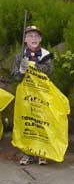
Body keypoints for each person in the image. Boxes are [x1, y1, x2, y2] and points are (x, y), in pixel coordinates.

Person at [12, 25, 54, 165]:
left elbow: (49, 72)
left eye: (36, 36)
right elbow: (15, 76)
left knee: (42, 123)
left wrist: (33, 65)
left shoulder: (46, 55)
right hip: (26, 97)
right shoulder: (19, 56)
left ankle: (42, 152)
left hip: (42, 96)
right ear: (25, 39)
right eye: (30, 36)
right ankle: (28, 152)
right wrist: (22, 70)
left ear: (40, 39)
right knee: (27, 123)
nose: (33, 39)